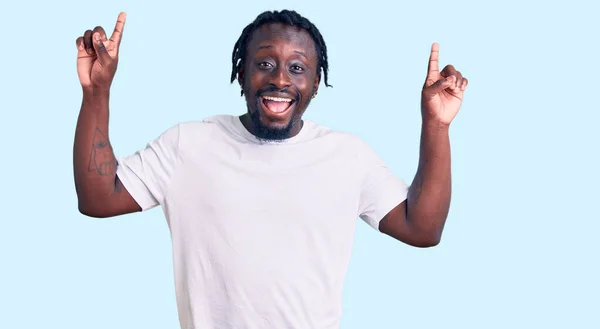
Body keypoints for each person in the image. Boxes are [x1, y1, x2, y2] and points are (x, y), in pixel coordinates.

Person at [73, 9, 468, 329]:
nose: (280, 79)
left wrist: (435, 124)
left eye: (297, 68)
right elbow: (98, 198)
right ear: (241, 73)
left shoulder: (347, 156)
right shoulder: (187, 144)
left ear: (316, 83)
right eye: (265, 63)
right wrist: (96, 92)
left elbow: (422, 229)